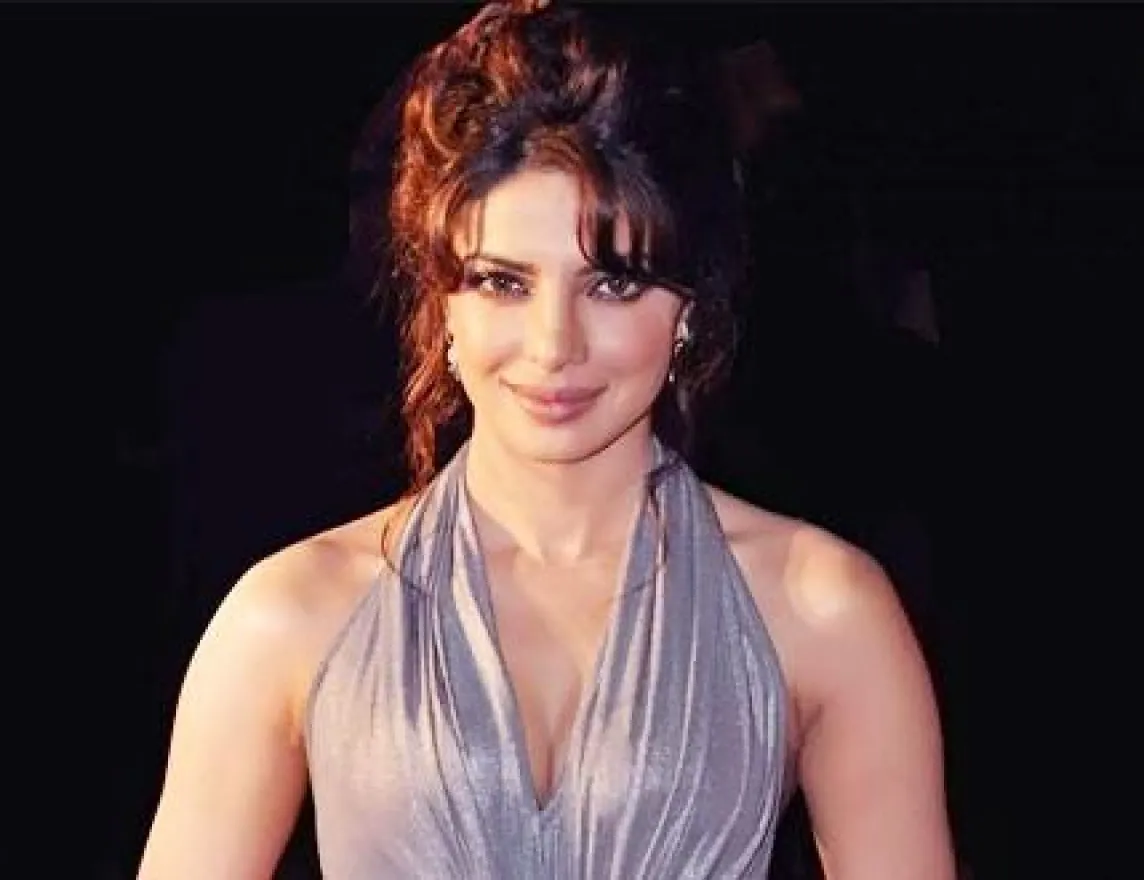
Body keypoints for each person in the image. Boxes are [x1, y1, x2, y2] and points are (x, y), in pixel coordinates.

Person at [137, 2, 956, 877]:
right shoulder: (291, 616)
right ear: (442, 304)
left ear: (689, 309)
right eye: (503, 283)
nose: (553, 345)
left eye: (613, 284)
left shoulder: (823, 612)